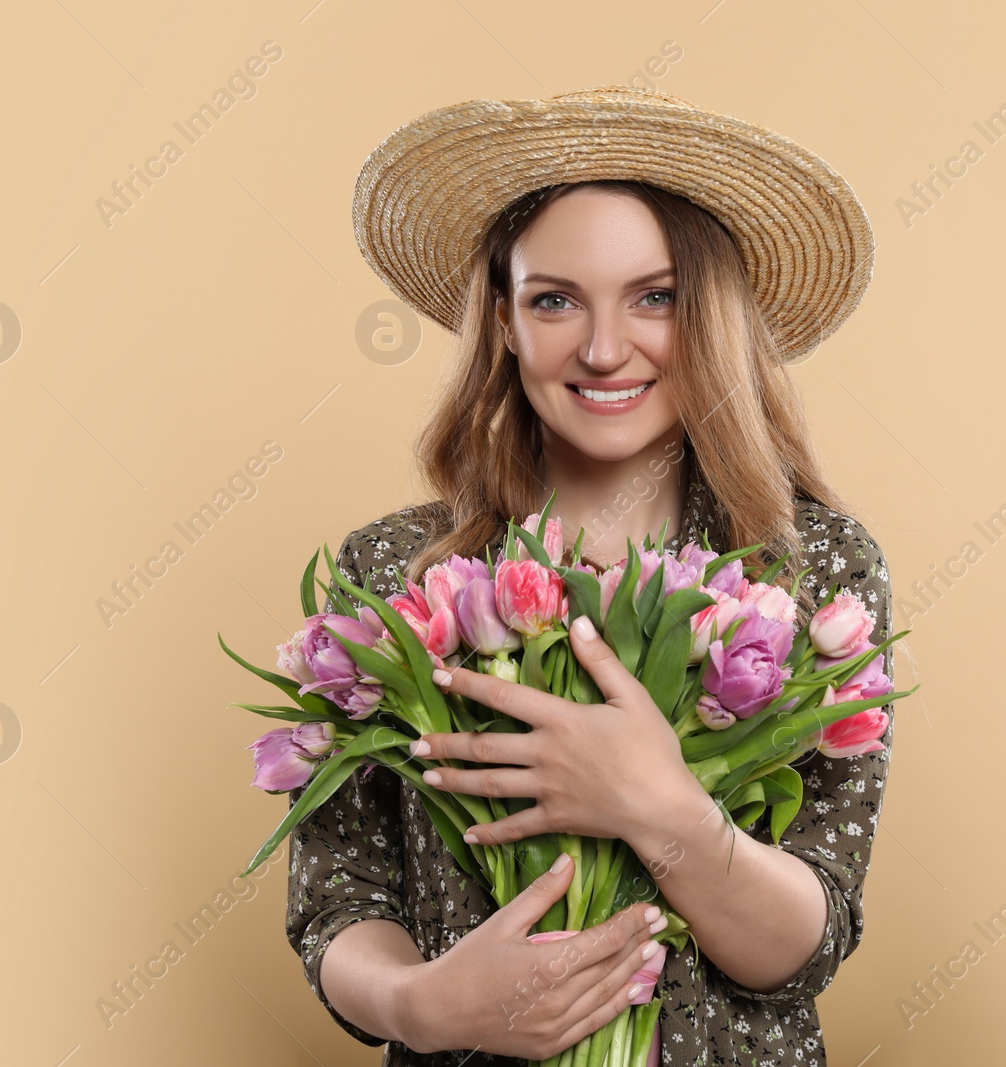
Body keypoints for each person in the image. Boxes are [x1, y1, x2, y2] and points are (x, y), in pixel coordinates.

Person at [284, 85, 897, 1067]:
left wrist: (661, 808)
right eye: (555, 299)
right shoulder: (392, 573)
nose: (604, 347)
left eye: (655, 296)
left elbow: (804, 947)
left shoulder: (812, 568)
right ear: (505, 320)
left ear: (712, 316)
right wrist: (422, 1002)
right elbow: (338, 900)